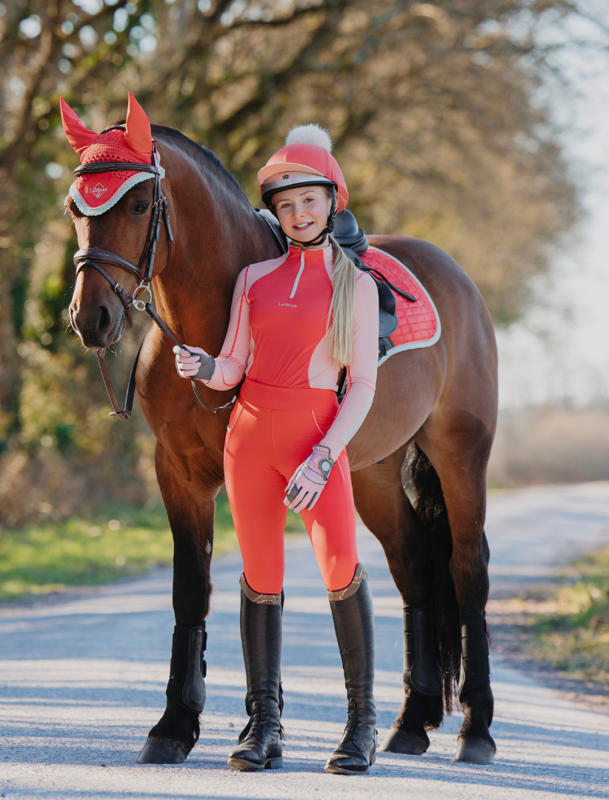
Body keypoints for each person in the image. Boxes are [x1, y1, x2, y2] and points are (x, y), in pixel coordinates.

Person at [174, 125, 379, 775]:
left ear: (332, 202)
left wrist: (324, 457)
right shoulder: (256, 279)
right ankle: (264, 723)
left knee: (340, 567)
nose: (297, 213)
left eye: (309, 201)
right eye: (285, 204)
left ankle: (360, 725)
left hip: (315, 440)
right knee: (260, 580)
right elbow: (233, 367)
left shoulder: (355, 285)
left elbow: (363, 387)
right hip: (249, 442)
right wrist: (201, 363)